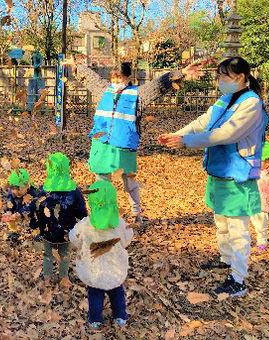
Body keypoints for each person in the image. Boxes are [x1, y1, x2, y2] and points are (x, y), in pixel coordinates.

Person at [158, 56, 268, 298]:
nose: (219, 80)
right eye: (219, 75)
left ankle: (238, 279)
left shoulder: (251, 104)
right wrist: (176, 134)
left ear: (240, 77)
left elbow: (226, 134)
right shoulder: (225, 99)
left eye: (224, 76)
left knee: (238, 229)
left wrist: (185, 142)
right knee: (222, 222)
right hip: (219, 172)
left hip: (238, 175)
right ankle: (225, 258)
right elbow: (202, 122)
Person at [64, 58, 204, 227]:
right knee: (101, 182)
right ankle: (102, 215)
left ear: (128, 77)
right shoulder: (104, 90)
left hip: (124, 146)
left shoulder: (138, 95)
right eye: (113, 78)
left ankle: (136, 215)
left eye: (120, 78)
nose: (116, 81)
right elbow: (90, 77)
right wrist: (75, 66)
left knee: (129, 182)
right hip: (102, 144)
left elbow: (158, 85)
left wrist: (180, 73)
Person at [69, 181, 133, 329]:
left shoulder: (85, 225)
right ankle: (120, 316)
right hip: (115, 269)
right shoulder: (120, 224)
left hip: (94, 271)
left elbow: (74, 238)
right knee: (117, 292)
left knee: (95, 294)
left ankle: (95, 320)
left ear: (91, 203)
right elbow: (127, 238)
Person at [35, 153, 88, 285]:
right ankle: (63, 277)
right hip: (66, 232)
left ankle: (47, 277)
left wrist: (39, 228)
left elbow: (38, 210)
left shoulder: (44, 190)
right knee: (65, 254)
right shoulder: (74, 191)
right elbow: (82, 212)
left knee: (48, 254)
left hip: (48, 231)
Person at [1, 168, 42, 243]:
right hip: (18, 206)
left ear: (28, 186)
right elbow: (10, 201)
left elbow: (29, 207)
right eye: (14, 189)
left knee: (36, 216)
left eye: (20, 189)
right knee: (8, 215)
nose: (17, 192)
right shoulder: (12, 192)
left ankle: (38, 232)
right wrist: (9, 211)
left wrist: (19, 214)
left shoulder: (33, 193)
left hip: (31, 209)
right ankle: (13, 231)